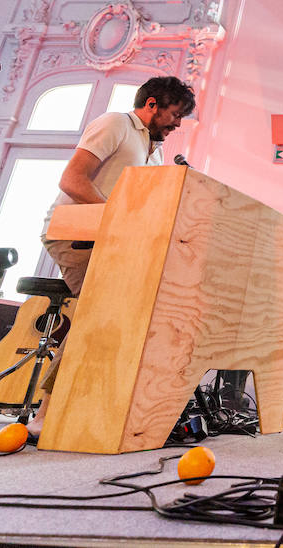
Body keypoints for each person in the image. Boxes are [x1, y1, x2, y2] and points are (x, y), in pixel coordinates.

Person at [29, 75, 196, 436]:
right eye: (175, 114)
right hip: (75, 235)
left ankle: (106, 405)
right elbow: (72, 180)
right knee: (100, 312)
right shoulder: (116, 124)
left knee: (136, 316)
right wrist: (119, 219)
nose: (178, 124)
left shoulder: (156, 150)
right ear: (151, 104)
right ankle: (48, 412)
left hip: (115, 239)